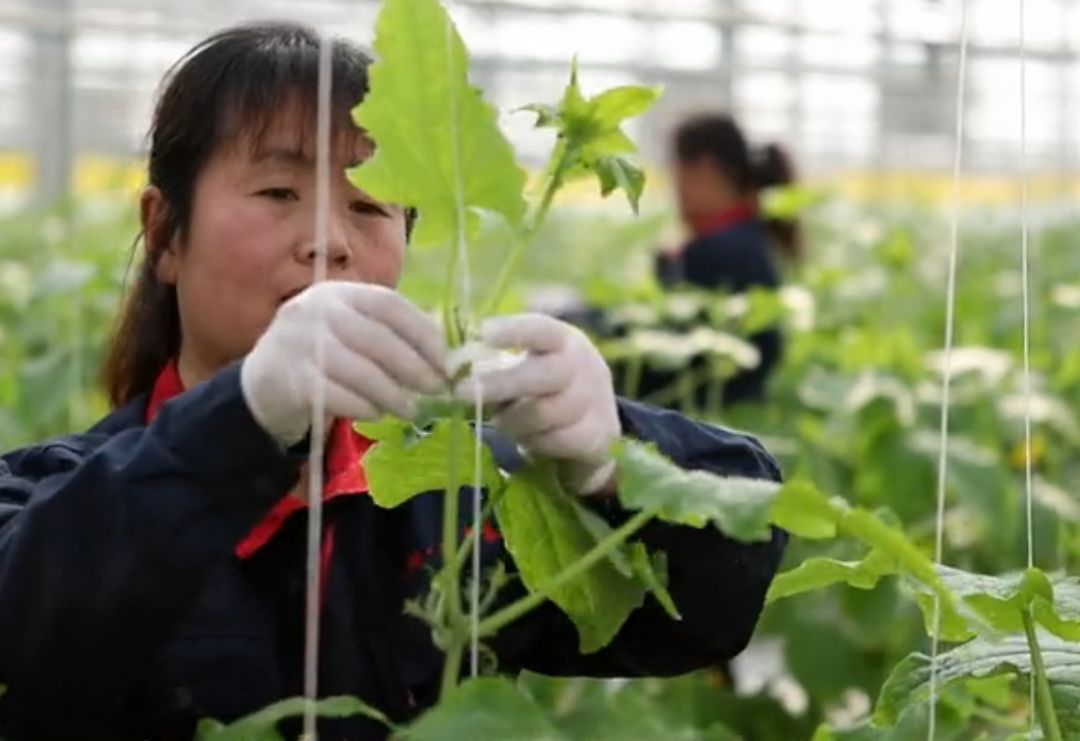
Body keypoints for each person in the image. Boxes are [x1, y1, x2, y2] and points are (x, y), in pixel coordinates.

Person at [0, 24, 786, 741]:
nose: (329, 241)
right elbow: (29, 621)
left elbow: (715, 602)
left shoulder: (463, 496)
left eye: (370, 205)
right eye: (278, 193)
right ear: (164, 233)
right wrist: (241, 421)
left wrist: (621, 460)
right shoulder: (50, 499)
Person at [649, 113, 801, 407]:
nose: (673, 187)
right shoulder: (750, 239)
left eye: (676, 170)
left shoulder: (717, 252)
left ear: (704, 170)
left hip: (709, 414)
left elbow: (668, 359)